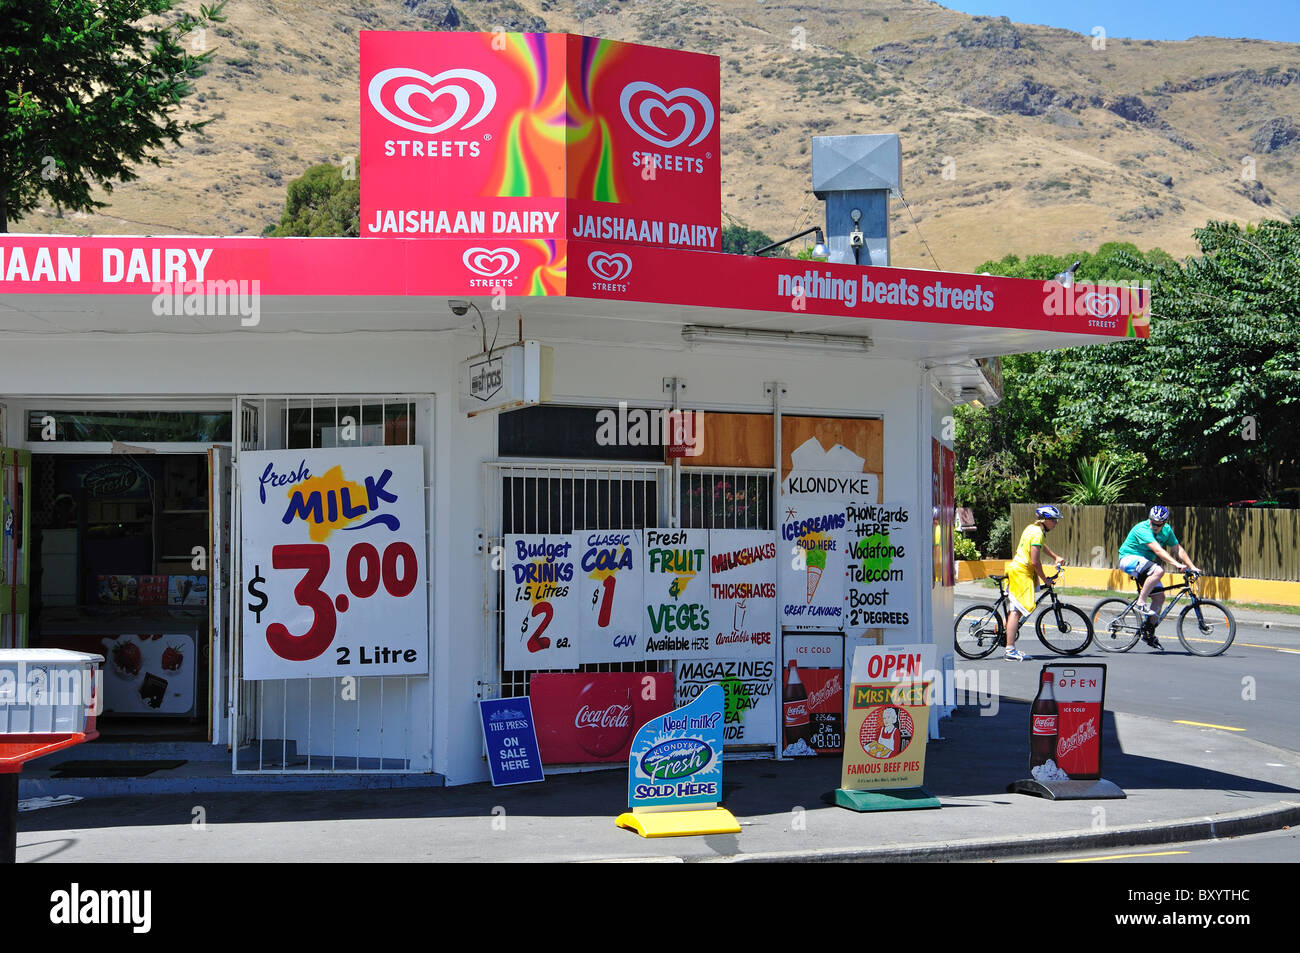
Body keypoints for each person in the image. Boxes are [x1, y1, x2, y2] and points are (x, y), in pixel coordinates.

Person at [1117, 505, 1202, 650]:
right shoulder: (1142, 528)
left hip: (1144, 565)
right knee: (1158, 570)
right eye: (1153, 522)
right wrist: (1176, 564)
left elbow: (1177, 549)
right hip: (1128, 559)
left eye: (1158, 524)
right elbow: (1157, 549)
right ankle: (1140, 602)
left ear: (1165, 522)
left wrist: (1191, 566)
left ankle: (1148, 632)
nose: (1155, 526)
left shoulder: (1167, 530)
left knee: (1159, 598)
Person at [1003, 504, 1065, 661]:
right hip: (1021, 573)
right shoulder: (1037, 533)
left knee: (1013, 610)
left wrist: (1054, 556)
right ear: (1045, 520)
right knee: (1017, 611)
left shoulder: (1033, 528)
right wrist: (1046, 580)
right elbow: (1035, 562)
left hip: (1017, 570)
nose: (1056, 523)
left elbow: (1039, 545)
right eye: (1054, 520)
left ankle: (1003, 635)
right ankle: (1010, 650)